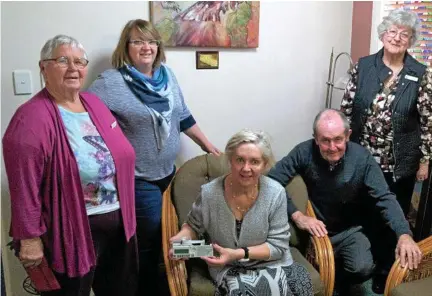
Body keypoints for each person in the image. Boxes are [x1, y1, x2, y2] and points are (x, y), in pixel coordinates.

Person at [87, 19, 220, 295]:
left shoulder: (167, 76)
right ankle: (148, 289)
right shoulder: (111, 82)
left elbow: (182, 116)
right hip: (138, 179)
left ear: (158, 46)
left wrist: (208, 146)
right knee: (149, 240)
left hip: (169, 174)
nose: (146, 47)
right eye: (137, 41)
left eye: (151, 41)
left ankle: (174, 283)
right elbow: (87, 118)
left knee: (179, 230)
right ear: (126, 47)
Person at [2, 35, 138, 296]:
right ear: (43, 67)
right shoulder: (30, 118)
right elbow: (23, 186)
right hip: (70, 231)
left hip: (118, 222)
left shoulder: (94, 104)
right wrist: (29, 238)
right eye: (63, 60)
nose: (74, 68)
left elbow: (121, 155)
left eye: (79, 61)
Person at [267, 109, 422, 294]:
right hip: (315, 228)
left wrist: (404, 234)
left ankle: (339, 277)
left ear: (348, 136)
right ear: (316, 138)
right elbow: (272, 181)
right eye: (325, 140)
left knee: (363, 268)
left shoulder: (362, 158)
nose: (332, 147)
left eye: (338, 139)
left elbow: (385, 197)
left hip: (349, 229)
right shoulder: (303, 151)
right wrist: (298, 215)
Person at [170, 130, 313, 296]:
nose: (246, 168)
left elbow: (278, 247)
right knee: (244, 290)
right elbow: (193, 227)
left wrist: (238, 253)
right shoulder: (209, 193)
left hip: (271, 263)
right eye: (240, 160)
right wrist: (183, 241)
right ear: (230, 160)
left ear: (264, 164)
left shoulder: (275, 193)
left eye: (254, 161)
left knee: (297, 283)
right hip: (228, 266)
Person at [341, 9, 432, 218]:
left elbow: (428, 122)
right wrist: (342, 144)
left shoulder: (419, 73)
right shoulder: (363, 66)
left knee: (393, 211)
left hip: (400, 161)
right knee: (361, 207)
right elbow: (346, 108)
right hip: (362, 154)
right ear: (383, 34)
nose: (397, 38)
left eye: (404, 34)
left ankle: (391, 248)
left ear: (411, 40)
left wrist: (425, 161)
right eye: (392, 31)